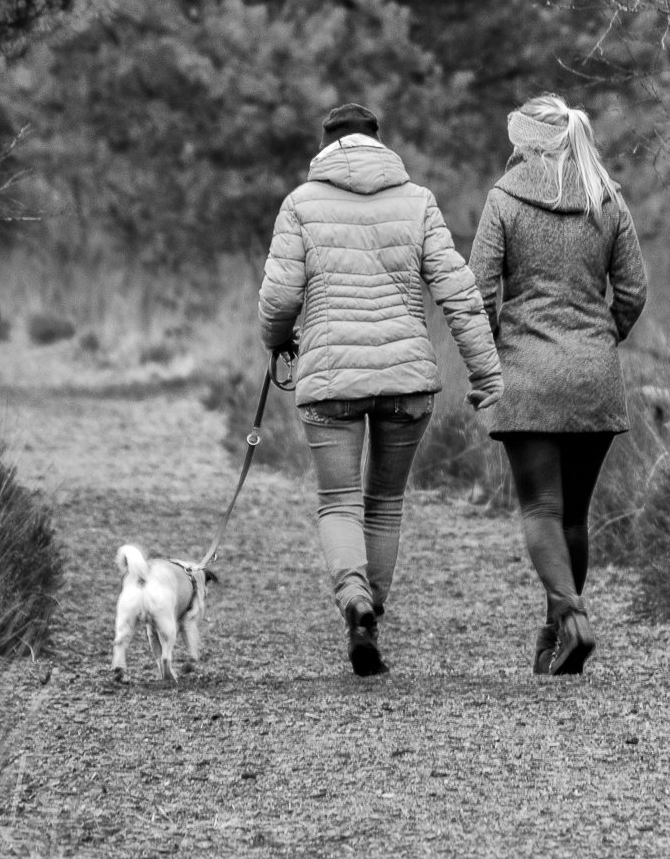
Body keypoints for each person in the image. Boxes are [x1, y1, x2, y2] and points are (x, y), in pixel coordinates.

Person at [259, 103, 502, 677]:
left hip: (329, 383)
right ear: (378, 144)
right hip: (405, 382)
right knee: (385, 503)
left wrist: (277, 340)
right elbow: (459, 295)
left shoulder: (300, 204)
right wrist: (486, 372)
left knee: (338, 502)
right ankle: (374, 615)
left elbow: (278, 299)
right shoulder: (417, 201)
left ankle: (356, 606)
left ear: (325, 147)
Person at [468, 94, 647, 675]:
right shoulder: (607, 197)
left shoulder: (505, 198)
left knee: (541, 508)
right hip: (594, 376)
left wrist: (501, 344)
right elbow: (634, 292)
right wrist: (600, 339)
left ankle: (571, 616)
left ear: (530, 141)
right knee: (574, 515)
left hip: (528, 374)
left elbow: (477, 290)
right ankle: (556, 634)